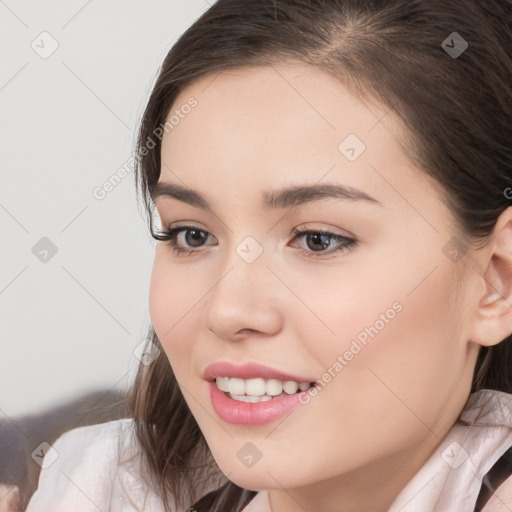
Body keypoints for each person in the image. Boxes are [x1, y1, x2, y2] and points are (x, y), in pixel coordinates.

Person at [23, 0, 512, 511]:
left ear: (496, 280)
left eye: (317, 239)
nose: (227, 310)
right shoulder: (100, 488)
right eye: (191, 235)